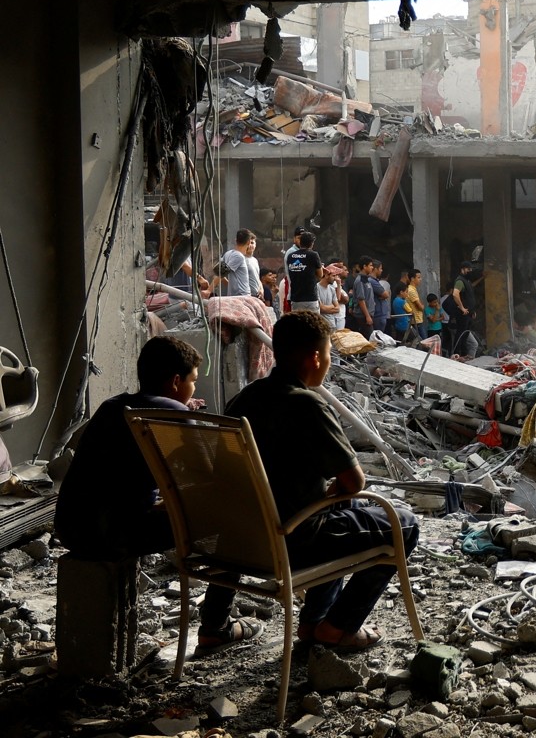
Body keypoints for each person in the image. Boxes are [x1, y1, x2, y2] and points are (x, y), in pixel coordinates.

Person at [226, 312, 419, 650]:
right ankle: (334, 627)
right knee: (403, 524)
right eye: (328, 354)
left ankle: (313, 622)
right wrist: (340, 490)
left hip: (242, 541)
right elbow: (353, 480)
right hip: (292, 543)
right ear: (315, 357)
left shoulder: (245, 398)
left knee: (342, 510)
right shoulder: (306, 404)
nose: (328, 362)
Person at [55, 336, 262, 650]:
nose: (194, 389)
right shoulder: (171, 412)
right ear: (176, 381)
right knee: (236, 523)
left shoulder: (115, 406)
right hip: (112, 535)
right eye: (192, 381)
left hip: (73, 527)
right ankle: (216, 626)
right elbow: (210, 478)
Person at [444, 260, 478, 359]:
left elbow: (469, 297)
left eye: (471, 269)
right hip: (462, 314)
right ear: (462, 269)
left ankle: (463, 355)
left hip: (468, 314)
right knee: (460, 335)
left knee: (465, 335)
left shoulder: (467, 281)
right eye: (468, 269)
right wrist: (462, 308)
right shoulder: (460, 281)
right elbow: (455, 294)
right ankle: (457, 355)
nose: (470, 271)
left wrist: (472, 311)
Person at [286, 231, 323, 313]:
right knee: (312, 324)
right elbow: (320, 275)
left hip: (295, 298)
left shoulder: (290, 256)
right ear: (311, 244)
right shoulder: (313, 255)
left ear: (301, 242)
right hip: (310, 298)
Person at [214, 228, 257, 296]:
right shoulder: (239, 256)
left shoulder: (228, 253)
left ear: (236, 240)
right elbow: (221, 273)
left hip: (236, 295)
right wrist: (209, 290)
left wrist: (228, 283)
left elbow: (217, 270)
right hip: (242, 296)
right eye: (250, 242)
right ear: (248, 242)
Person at [348, 257, 377, 338]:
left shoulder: (366, 279)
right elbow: (361, 300)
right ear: (364, 266)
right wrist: (367, 316)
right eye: (370, 265)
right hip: (363, 316)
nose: (372, 268)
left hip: (369, 313)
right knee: (370, 338)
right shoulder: (360, 281)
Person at [280, 226, 305, 313]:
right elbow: (297, 269)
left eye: (303, 238)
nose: (301, 240)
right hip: (293, 288)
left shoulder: (305, 251)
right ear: (294, 239)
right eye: (299, 238)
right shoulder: (292, 252)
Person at [317, 263, 349, 330]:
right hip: (322, 325)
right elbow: (321, 308)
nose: (335, 278)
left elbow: (337, 308)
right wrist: (332, 306)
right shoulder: (316, 288)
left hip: (332, 324)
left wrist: (327, 307)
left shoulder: (331, 289)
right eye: (333, 276)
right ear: (326, 275)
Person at [404, 269, 426, 339]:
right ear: (412, 279)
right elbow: (420, 307)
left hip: (416, 320)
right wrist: (422, 306)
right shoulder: (411, 290)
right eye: (418, 277)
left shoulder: (412, 289)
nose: (420, 279)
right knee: (423, 342)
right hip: (416, 321)